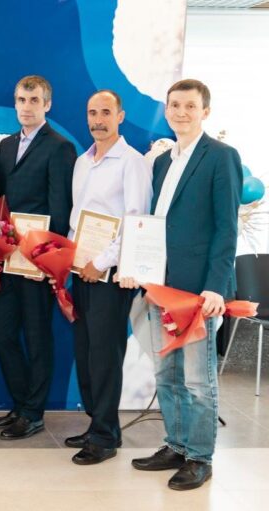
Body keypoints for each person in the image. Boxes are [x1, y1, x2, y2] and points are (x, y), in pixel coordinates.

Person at [120, 79, 242, 490]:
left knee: (197, 380)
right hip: (160, 287)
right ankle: (176, 444)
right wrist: (137, 267)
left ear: (205, 111)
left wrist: (216, 287)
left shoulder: (221, 156)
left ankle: (200, 457)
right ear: (167, 110)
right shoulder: (161, 162)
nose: (181, 112)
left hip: (196, 293)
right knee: (167, 374)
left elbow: (226, 228)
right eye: (175, 105)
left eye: (190, 106)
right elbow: (154, 226)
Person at [0, 75, 76, 439]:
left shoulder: (60, 147)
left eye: (34, 100)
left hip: (38, 261)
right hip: (8, 258)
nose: (26, 106)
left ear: (47, 105)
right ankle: (22, 404)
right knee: (2, 334)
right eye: (21, 100)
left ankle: (34, 413)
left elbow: (60, 209)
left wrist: (45, 254)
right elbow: (0, 202)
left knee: (38, 338)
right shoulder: (6, 145)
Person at [64, 90, 151, 465]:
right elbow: (77, 218)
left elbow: (135, 220)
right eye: (92, 113)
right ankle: (97, 424)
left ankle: (105, 436)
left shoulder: (132, 163)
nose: (97, 120)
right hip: (81, 270)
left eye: (105, 112)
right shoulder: (82, 161)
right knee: (85, 352)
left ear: (120, 116)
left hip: (110, 275)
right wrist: (69, 258)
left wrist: (100, 262)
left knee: (104, 355)